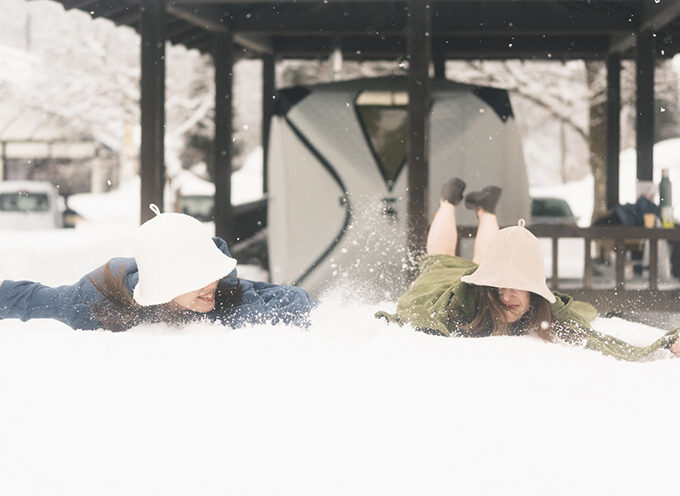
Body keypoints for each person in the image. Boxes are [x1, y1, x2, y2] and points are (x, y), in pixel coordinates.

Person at [376, 178, 680, 361]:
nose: (507, 294)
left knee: (489, 263)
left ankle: (486, 209)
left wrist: (666, 341)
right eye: (500, 285)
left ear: (534, 290)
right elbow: (414, 310)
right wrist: (396, 321)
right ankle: (448, 200)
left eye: (518, 285)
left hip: (483, 275)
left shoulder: (545, 307)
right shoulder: (456, 304)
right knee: (439, 257)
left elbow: (606, 343)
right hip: (443, 280)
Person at [0, 205, 314, 331]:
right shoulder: (95, 301)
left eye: (211, 273)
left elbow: (296, 302)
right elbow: (30, 298)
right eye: (195, 278)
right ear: (166, 284)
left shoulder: (228, 294)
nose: (210, 285)